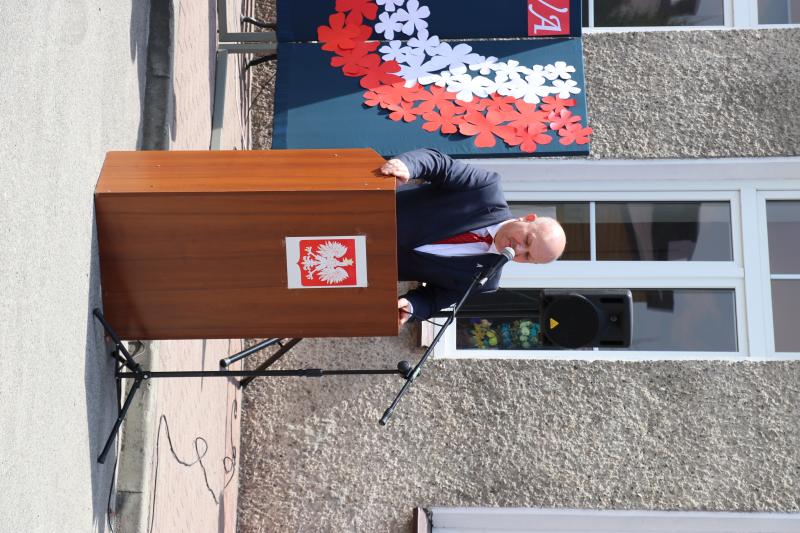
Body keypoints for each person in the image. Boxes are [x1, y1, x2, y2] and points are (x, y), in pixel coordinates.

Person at [380, 148, 566, 328]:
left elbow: (434, 299)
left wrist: (411, 308)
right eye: (527, 240)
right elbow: (439, 165)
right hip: (375, 210)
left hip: (370, 263)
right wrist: (408, 166)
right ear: (528, 218)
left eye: (527, 256)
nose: (518, 249)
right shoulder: (485, 190)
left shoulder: (486, 280)